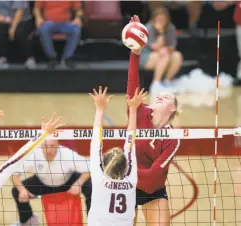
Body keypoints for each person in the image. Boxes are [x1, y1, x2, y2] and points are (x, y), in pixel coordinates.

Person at [128, 15, 181, 226]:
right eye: (160, 94)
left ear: (173, 108)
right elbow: (133, 83)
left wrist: (126, 170)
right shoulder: (140, 112)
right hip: (126, 186)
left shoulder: (172, 138)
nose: (161, 95)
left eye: (167, 96)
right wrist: (136, 53)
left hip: (152, 189)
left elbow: (152, 177)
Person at [87, 86, 147, 226]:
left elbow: (96, 141)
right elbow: (130, 144)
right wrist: (133, 110)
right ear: (125, 166)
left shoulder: (99, 179)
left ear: (105, 164)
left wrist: (100, 109)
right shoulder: (131, 180)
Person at [11, 139, 91, 225]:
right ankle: (27, 220)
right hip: (43, 184)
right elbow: (14, 175)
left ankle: (92, 221)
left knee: (90, 187)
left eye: (52, 146)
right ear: (41, 146)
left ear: (58, 146)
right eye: (45, 146)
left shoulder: (67, 154)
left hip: (67, 183)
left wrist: (78, 183)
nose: (49, 150)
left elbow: (90, 168)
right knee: (16, 190)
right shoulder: (34, 153)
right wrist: (22, 190)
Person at [140, 7, 183, 93]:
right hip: (146, 56)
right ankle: (155, 84)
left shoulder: (171, 28)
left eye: (163, 19)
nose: (161, 21)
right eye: (159, 19)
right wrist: (161, 32)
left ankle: (167, 82)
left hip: (164, 54)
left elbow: (172, 46)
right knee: (164, 55)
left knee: (177, 56)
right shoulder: (148, 28)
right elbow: (156, 47)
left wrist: (166, 49)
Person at [0, 1, 37, 69]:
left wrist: (13, 28)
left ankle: (30, 58)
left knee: (18, 32)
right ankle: (1, 58)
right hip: (1, 18)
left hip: (22, 19)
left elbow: (20, 10)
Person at [33, 1, 83, 69]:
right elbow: (36, 8)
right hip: (49, 23)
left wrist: (77, 18)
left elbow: (79, 10)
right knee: (43, 30)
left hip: (65, 23)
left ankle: (67, 58)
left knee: (76, 30)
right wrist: (38, 17)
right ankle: (52, 57)